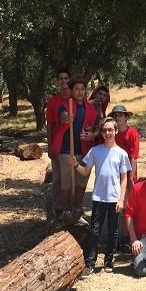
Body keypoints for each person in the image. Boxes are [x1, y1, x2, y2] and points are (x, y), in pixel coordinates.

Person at [71, 117, 131, 278]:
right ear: (102, 133)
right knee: (95, 231)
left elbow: (124, 178)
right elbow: (85, 171)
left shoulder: (122, 154)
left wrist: (121, 199)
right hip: (99, 197)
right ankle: (90, 262)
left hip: (114, 198)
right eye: (104, 130)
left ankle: (109, 261)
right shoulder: (96, 151)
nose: (108, 133)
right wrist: (76, 165)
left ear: (116, 131)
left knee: (113, 230)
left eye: (111, 130)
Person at [57, 76, 100, 212]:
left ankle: (77, 209)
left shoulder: (90, 108)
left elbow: (97, 127)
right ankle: (65, 211)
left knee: (81, 183)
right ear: (71, 90)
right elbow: (62, 115)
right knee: (66, 184)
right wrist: (66, 118)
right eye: (76, 89)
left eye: (82, 89)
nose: (80, 92)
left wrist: (93, 134)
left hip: (84, 151)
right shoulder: (66, 105)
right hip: (67, 150)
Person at [109, 104, 140, 249]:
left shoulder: (132, 133)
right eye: (115, 116)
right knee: (114, 206)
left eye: (121, 115)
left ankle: (126, 237)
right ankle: (113, 237)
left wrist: (131, 178)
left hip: (127, 175)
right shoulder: (111, 133)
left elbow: (134, 157)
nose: (118, 118)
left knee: (128, 207)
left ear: (126, 117)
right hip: (113, 175)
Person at [46, 67, 71, 216]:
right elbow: (50, 124)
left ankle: (70, 208)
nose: (63, 81)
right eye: (60, 79)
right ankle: (57, 210)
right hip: (57, 145)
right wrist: (49, 146)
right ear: (57, 82)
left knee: (70, 180)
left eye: (66, 78)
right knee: (57, 180)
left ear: (69, 81)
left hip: (72, 147)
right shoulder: (52, 101)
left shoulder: (75, 100)